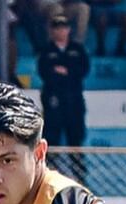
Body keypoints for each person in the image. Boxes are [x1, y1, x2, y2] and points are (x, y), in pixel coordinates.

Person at [38, 15, 89, 182]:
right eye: (56, 28)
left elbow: (83, 70)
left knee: (75, 139)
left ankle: (80, 178)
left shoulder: (77, 49)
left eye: (63, 27)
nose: (60, 31)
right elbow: (45, 72)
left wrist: (66, 72)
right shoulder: (46, 51)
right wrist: (63, 73)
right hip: (54, 101)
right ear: (52, 31)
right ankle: (50, 179)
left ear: (68, 30)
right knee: (52, 139)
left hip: (73, 100)